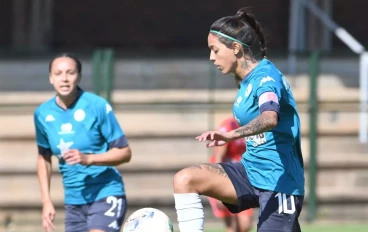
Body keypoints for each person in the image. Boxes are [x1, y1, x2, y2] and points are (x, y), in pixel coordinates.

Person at [173, 7, 304, 232]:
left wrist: (230, 134)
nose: (211, 57)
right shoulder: (244, 80)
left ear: (235, 48)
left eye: (215, 50)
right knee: (185, 179)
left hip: (279, 182)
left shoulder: (266, 78)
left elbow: (270, 117)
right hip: (249, 172)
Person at [34, 53, 132, 232]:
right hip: (74, 201)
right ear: (50, 78)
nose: (64, 79)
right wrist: (46, 202)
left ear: (78, 76)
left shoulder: (97, 106)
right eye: (58, 73)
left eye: (70, 73)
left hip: (105, 192)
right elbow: (43, 158)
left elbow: (124, 152)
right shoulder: (42, 114)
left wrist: (88, 159)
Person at [207, 116, 253, 232]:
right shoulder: (228, 127)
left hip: (242, 179)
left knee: (245, 225)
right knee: (232, 227)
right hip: (225, 178)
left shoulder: (253, 126)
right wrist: (217, 190)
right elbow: (218, 158)